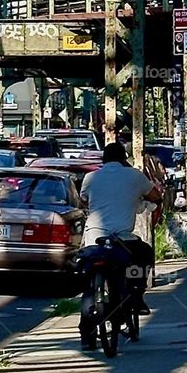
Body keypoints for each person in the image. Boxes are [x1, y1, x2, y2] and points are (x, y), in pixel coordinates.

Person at [79, 142, 161, 346]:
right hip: (123, 240)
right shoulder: (134, 175)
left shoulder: (90, 177)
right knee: (143, 255)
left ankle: (86, 334)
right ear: (123, 159)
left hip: (94, 240)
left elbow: (83, 201)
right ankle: (137, 292)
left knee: (89, 285)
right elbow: (156, 196)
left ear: (103, 160)